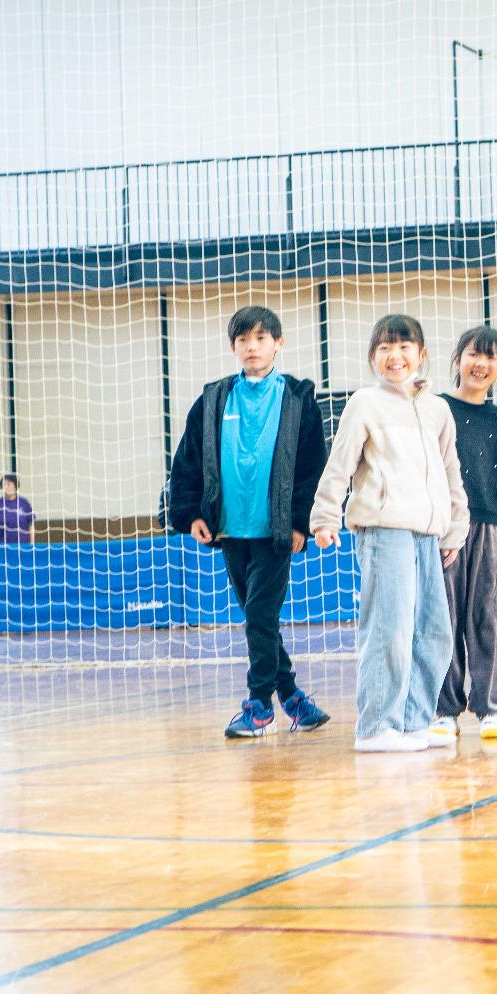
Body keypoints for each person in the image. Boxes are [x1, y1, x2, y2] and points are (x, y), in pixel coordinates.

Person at [169, 305, 332, 740]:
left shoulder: (298, 399)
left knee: (260, 614)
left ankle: (260, 707)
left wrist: (301, 521)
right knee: (259, 619)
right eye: (243, 340)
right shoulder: (213, 399)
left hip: (276, 532)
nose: (252, 346)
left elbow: (312, 466)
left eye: (261, 338)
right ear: (233, 348)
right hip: (229, 529)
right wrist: (190, 515)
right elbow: (187, 460)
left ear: (278, 344)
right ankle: (294, 698)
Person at [310, 314, 470, 754]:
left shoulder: (437, 409)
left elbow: (451, 473)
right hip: (385, 532)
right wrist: (325, 518)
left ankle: (412, 722)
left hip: (428, 535)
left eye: (403, 347)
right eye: (384, 348)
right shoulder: (365, 403)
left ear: (422, 354)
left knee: (434, 632)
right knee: (389, 629)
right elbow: (339, 463)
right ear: (372, 358)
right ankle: (376, 726)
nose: (394, 356)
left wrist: (456, 527)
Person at [433, 326, 497, 742]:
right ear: (457, 361)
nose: (481, 363)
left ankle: (489, 708)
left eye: (491, 357)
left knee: (484, 618)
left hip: (486, 529)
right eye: (473, 354)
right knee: (444, 618)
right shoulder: (434, 410)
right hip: (442, 529)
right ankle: (444, 709)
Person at [0, 475, 36, 545]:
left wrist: (32, 543)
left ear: (15, 486)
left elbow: (31, 525)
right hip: (3, 548)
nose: (6, 487)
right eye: (4, 485)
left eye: (9, 484)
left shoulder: (24, 503)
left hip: (23, 547)